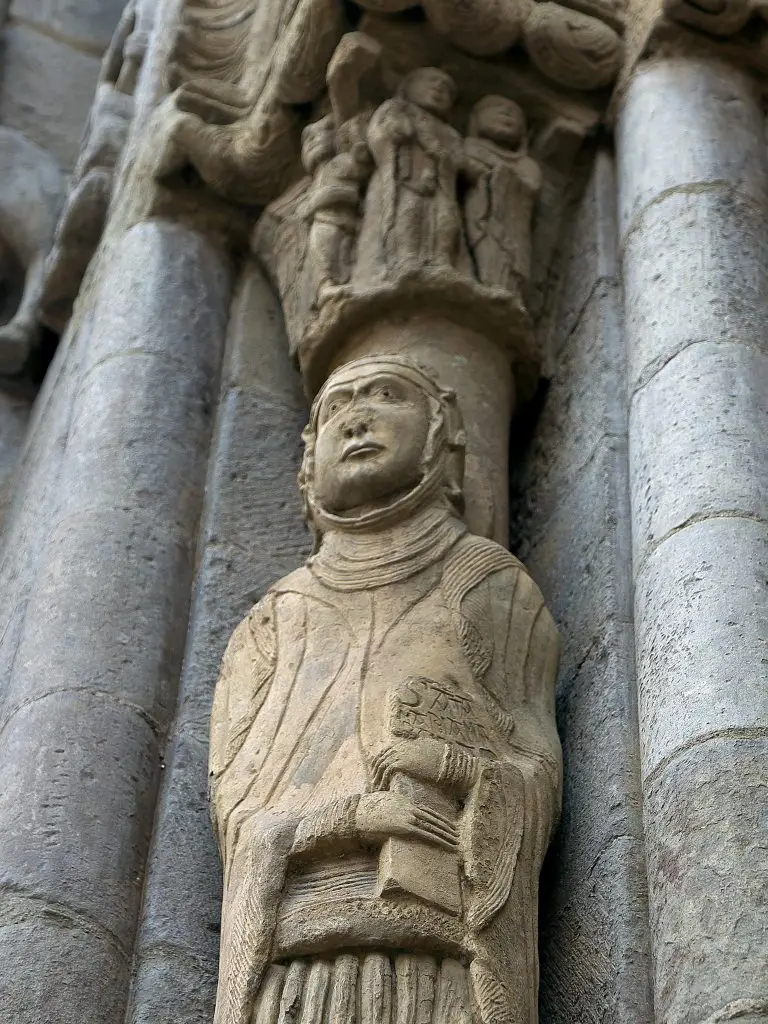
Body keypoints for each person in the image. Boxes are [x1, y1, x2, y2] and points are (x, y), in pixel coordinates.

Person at [209, 356, 561, 1024]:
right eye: (337, 405)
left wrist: (456, 769)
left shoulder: (488, 587)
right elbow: (239, 807)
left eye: (386, 395)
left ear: (441, 441)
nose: (359, 416)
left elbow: (534, 766)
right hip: (294, 962)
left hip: (440, 950)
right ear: (308, 463)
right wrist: (346, 819)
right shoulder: (275, 619)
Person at [360, 69, 465, 279]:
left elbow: (459, 158)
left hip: (440, 185)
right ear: (406, 87)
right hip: (405, 178)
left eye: (446, 89)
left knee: (445, 220)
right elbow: (377, 135)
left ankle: (441, 260)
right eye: (430, 81)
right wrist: (396, 130)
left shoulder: (450, 132)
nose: (439, 87)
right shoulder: (395, 109)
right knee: (409, 212)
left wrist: (442, 156)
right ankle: (405, 258)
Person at [463, 95, 541, 295]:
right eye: (495, 107)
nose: (506, 113)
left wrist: (498, 172)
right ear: (475, 119)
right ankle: (487, 287)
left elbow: (531, 186)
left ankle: (509, 293)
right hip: (482, 216)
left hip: (513, 223)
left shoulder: (527, 164)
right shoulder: (467, 148)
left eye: (516, 114)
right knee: (487, 252)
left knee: (515, 261)